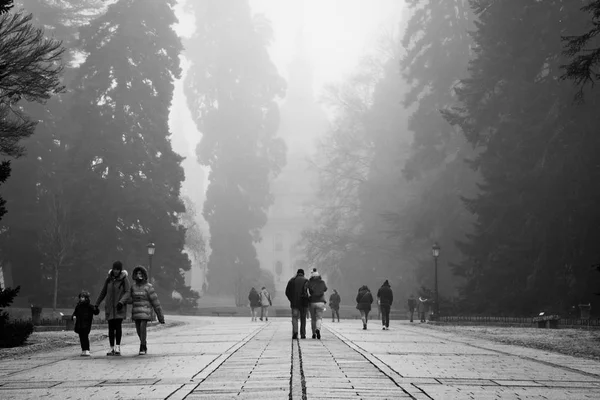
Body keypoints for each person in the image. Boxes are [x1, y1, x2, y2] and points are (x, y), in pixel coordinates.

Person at [94, 261, 131, 356]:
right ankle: (111, 347)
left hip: (119, 307)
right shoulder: (109, 279)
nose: (116, 271)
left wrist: (121, 302)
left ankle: (117, 346)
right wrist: (96, 304)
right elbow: (103, 292)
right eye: (114, 269)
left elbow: (127, 292)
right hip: (110, 307)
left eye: (118, 269)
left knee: (118, 326)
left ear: (120, 270)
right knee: (110, 328)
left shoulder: (124, 280)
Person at [131, 265, 165, 355]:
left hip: (145, 311)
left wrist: (160, 316)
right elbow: (129, 298)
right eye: (137, 273)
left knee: (142, 327)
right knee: (138, 330)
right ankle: (144, 343)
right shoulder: (133, 287)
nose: (139, 275)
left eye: (141, 273)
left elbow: (155, 302)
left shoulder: (149, 287)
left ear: (144, 275)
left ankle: (142, 346)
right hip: (136, 311)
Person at [72, 290, 99, 356]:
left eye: (83, 297)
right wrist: (73, 316)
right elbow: (74, 313)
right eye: (80, 297)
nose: (81, 298)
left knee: (85, 337)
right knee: (81, 337)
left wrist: (96, 308)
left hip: (86, 324)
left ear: (86, 298)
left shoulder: (89, 306)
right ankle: (83, 349)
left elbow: (96, 312)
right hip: (79, 324)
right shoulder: (78, 306)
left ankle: (87, 349)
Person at [285, 268, 309, 339]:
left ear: (297, 273)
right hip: (303, 303)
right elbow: (310, 292)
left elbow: (287, 292)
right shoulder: (306, 281)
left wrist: (291, 299)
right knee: (303, 318)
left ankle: (295, 331)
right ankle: (303, 334)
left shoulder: (292, 280)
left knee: (294, 318)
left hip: (294, 303)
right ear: (303, 273)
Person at [307, 268, 327, 339]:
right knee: (319, 317)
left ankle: (313, 333)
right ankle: (318, 329)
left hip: (312, 301)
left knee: (313, 319)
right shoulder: (322, 282)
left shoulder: (310, 282)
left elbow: (307, 289)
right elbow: (325, 289)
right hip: (321, 302)